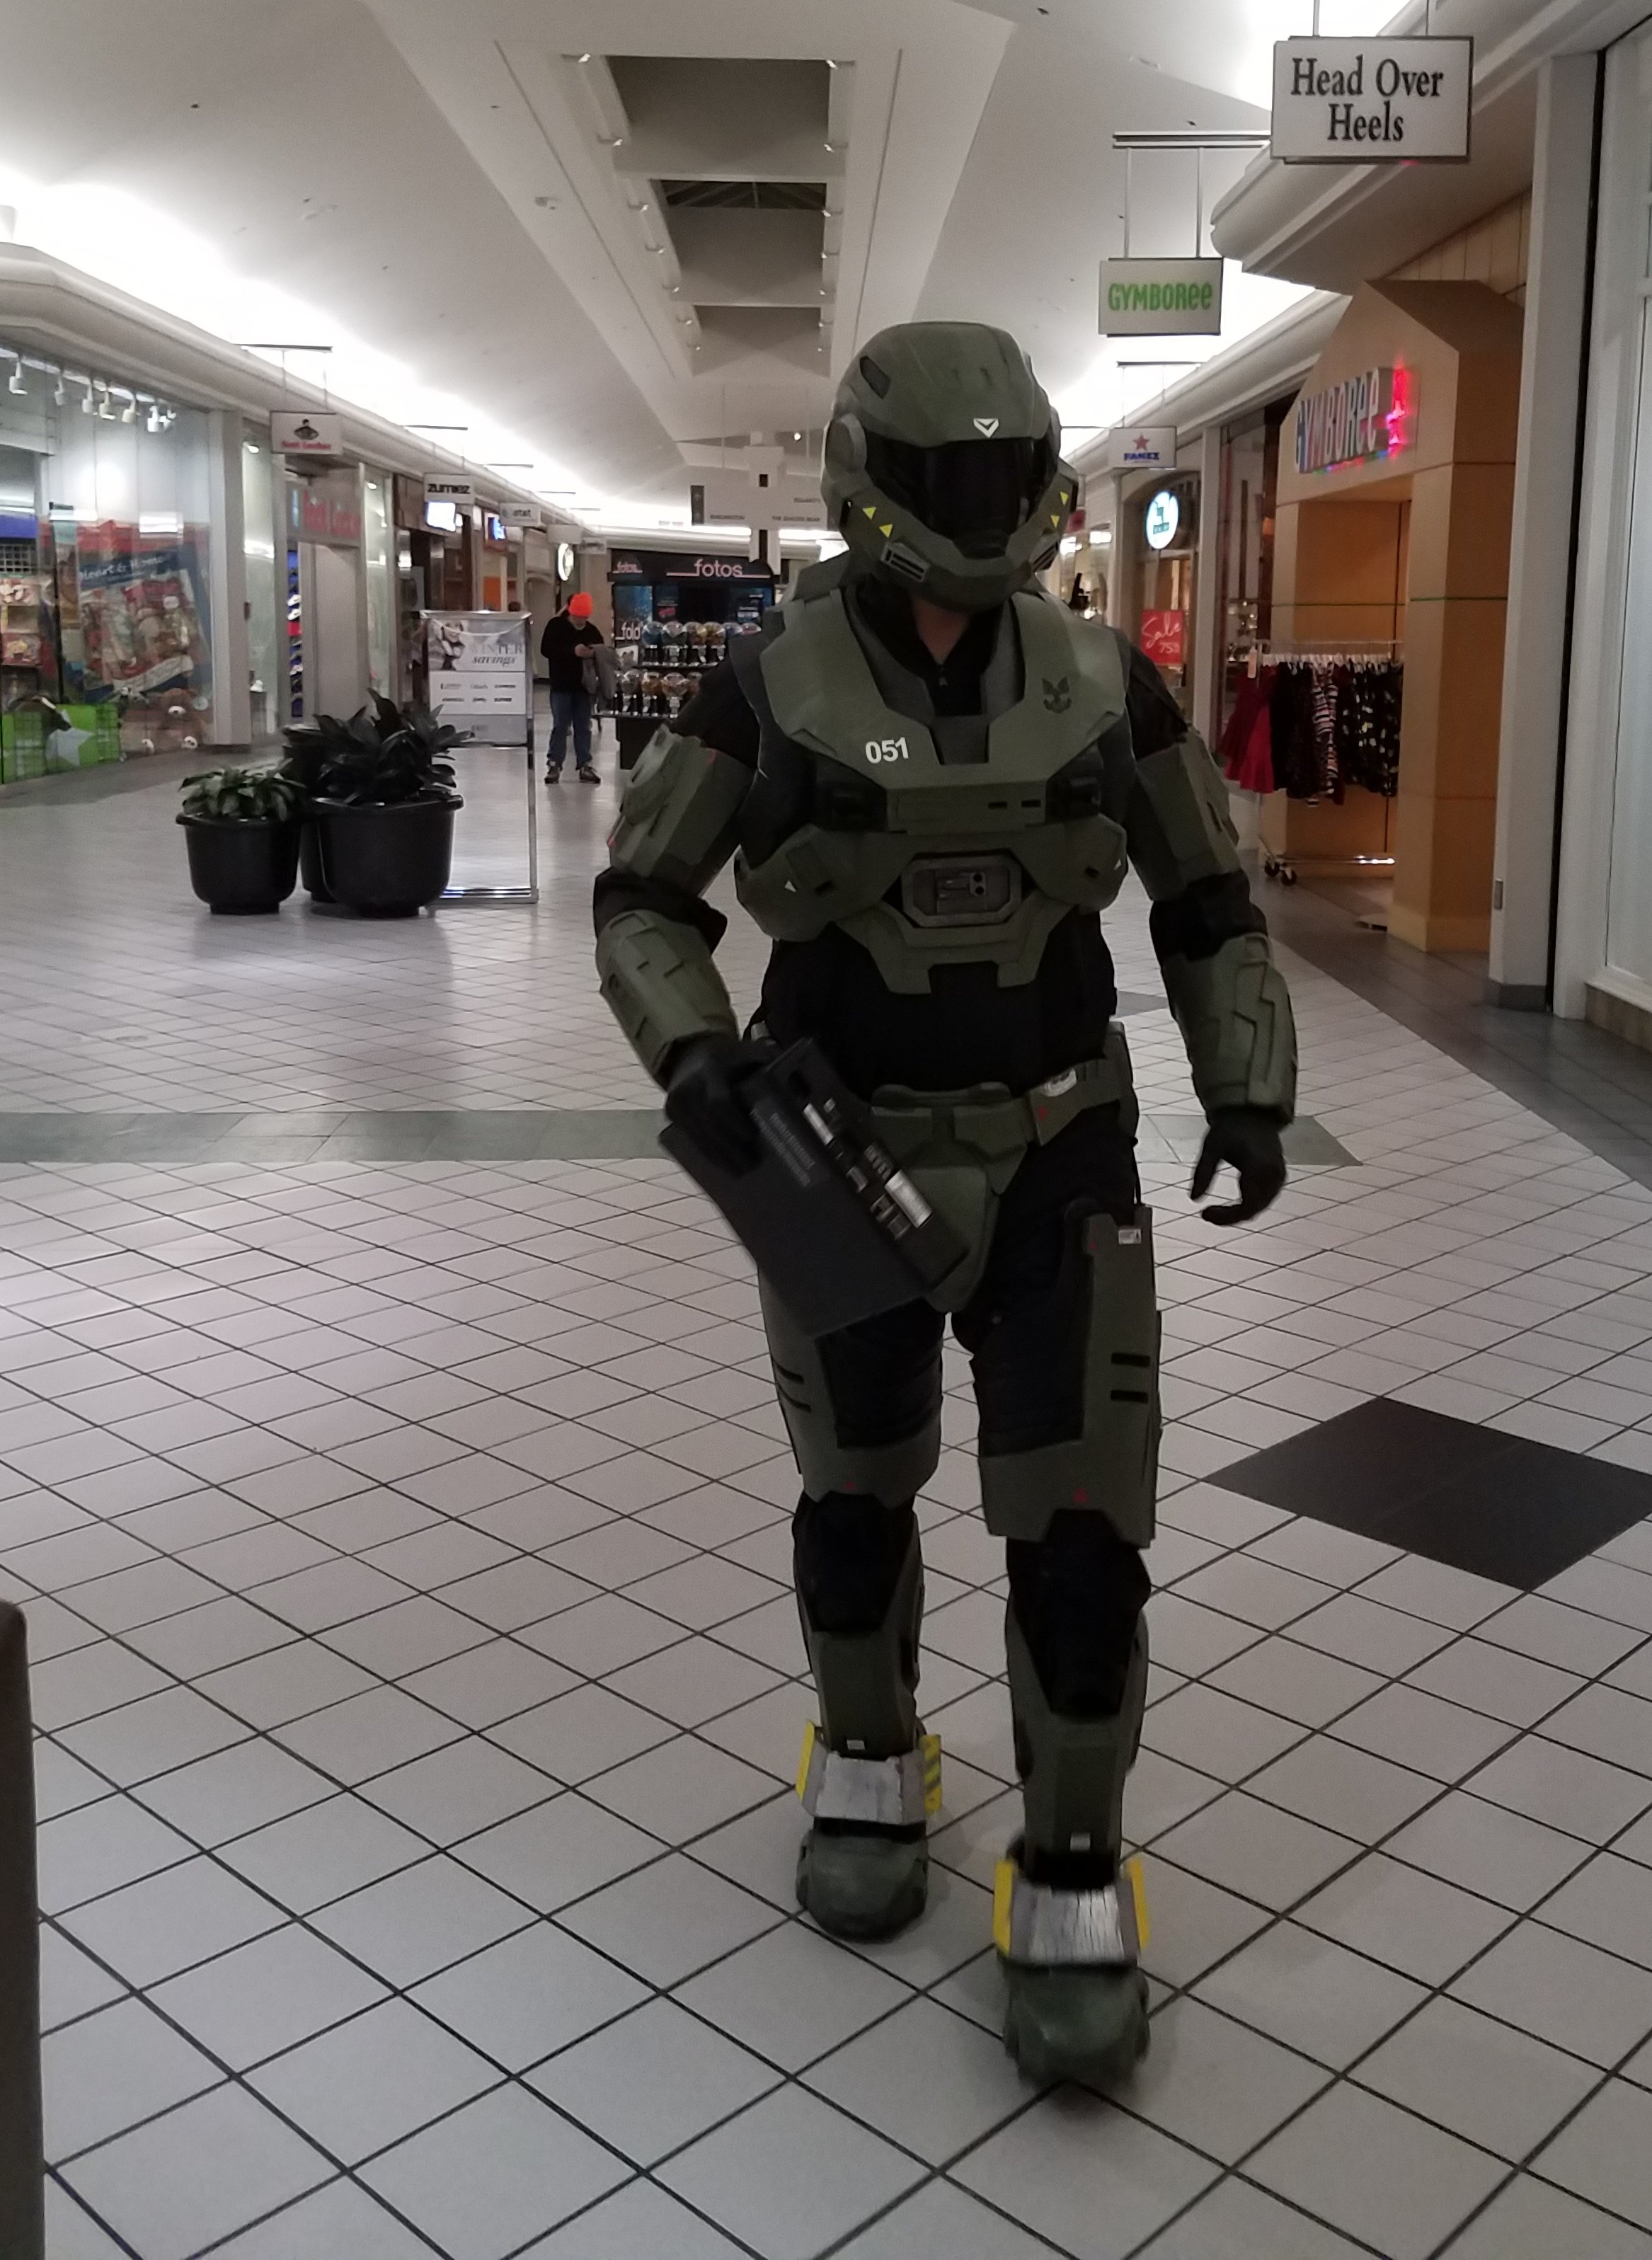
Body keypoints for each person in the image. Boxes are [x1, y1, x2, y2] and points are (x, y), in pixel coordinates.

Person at [591, 321, 1295, 2084]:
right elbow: (643, 898)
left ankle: (1072, 1870)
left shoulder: (1106, 680)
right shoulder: (768, 686)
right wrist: (692, 1054)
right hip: (842, 1152)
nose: (981, 508)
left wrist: (1247, 1086)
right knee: (855, 1496)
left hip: (1062, 1149)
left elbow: (1209, 898)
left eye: (1004, 474)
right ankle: (869, 1767)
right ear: (872, 485)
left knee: (1085, 1536)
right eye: (949, 478)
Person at [539, 589, 603, 784]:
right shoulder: (556, 626)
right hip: (561, 685)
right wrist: (572, 652)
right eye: (577, 617)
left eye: (584, 618)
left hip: (584, 688)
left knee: (583, 726)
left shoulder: (591, 631)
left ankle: (585, 764)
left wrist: (594, 653)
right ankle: (554, 763)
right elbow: (546, 650)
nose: (580, 622)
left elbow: (601, 649)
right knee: (560, 725)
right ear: (570, 613)